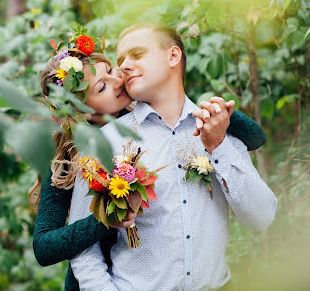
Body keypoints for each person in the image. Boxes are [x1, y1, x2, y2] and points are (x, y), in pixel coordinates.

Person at [32, 32, 267, 290]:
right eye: (102, 87)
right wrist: (105, 220)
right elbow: (45, 248)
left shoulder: (155, 116)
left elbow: (255, 137)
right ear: (83, 112)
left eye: (111, 69)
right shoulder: (69, 158)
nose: (118, 80)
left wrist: (215, 112)